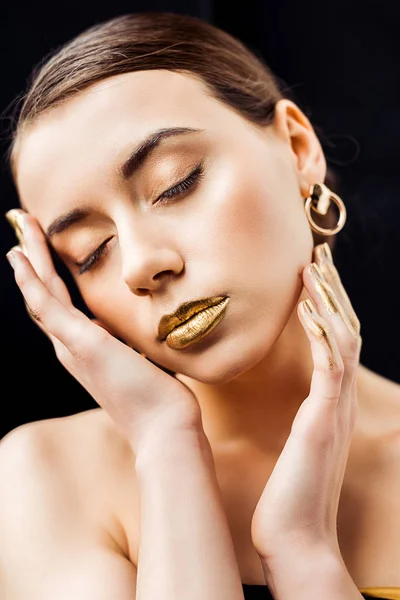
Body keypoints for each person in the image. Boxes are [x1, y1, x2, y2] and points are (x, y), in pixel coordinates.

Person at [1, 10, 399, 600]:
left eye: (176, 184)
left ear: (297, 146)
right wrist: (167, 445)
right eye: (90, 252)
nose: (140, 265)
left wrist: (303, 549)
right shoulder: (47, 476)